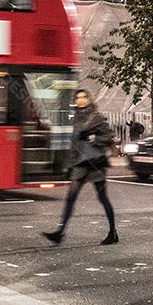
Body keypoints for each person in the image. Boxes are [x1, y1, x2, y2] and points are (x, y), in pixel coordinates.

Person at [43, 89, 118, 246]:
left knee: (103, 198)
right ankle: (60, 233)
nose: (81, 100)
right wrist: (69, 166)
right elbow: (73, 145)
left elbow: (109, 137)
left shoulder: (97, 117)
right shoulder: (75, 118)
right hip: (79, 164)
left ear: (89, 99)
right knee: (70, 198)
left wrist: (94, 137)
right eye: (78, 97)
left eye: (84, 97)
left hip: (96, 163)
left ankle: (113, 232)